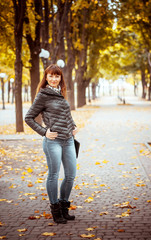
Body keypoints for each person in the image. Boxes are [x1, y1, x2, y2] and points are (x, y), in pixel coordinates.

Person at [25, 64, 78, 224]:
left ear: (60, 78)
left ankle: (63, 207)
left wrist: (73, 125)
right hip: (53, 141)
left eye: (57, 76)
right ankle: (55, 210)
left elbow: (65, 114)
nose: (54, 79)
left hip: (68, 140)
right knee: (54, 175)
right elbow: (28, 117)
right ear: (46, 77)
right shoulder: (43, 95)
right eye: (51, 76)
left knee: (70, 176)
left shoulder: (61, 94)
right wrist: (44, 132)